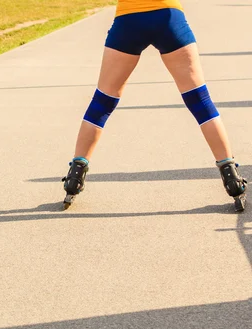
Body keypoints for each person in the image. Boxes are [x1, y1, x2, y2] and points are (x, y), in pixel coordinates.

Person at [62, 0, 247, 211]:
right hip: (168, 16)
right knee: (200, 101)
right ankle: (231, 177)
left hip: (129, 18)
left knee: (102, 102)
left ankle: (75, 178)